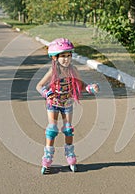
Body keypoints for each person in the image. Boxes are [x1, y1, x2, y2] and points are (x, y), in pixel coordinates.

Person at [36, 38, 99, 174]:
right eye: (63, 56)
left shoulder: (73, 70)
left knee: (68, 129)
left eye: (69, 55)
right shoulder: (53, 72)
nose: (66, 59)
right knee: (52, 129)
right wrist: (46, 93)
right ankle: (47, 157)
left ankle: (70, 154)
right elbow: (39, 86)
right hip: (53, 103)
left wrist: (89, 88)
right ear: (55, 58)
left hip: (67, 103)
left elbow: (80, 85)